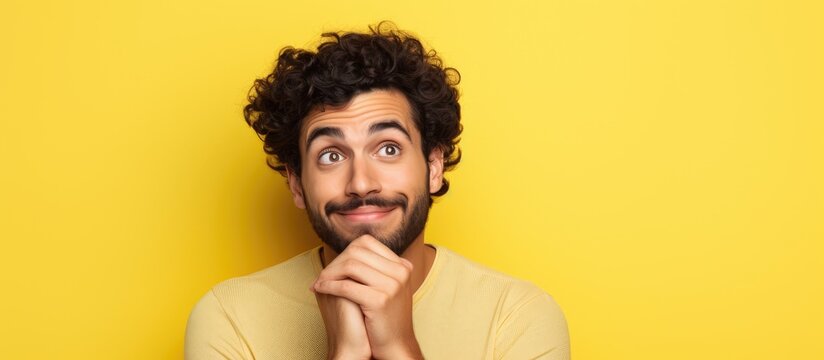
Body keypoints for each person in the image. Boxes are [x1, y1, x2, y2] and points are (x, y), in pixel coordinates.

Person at [184, 22, 570, 360]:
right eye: (331, 155)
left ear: (433, 167)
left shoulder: (518, 316)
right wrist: (345, 353)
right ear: (296, 184)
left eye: (388, 149)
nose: (361, 183)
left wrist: (399, 347)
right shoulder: (229, 316)